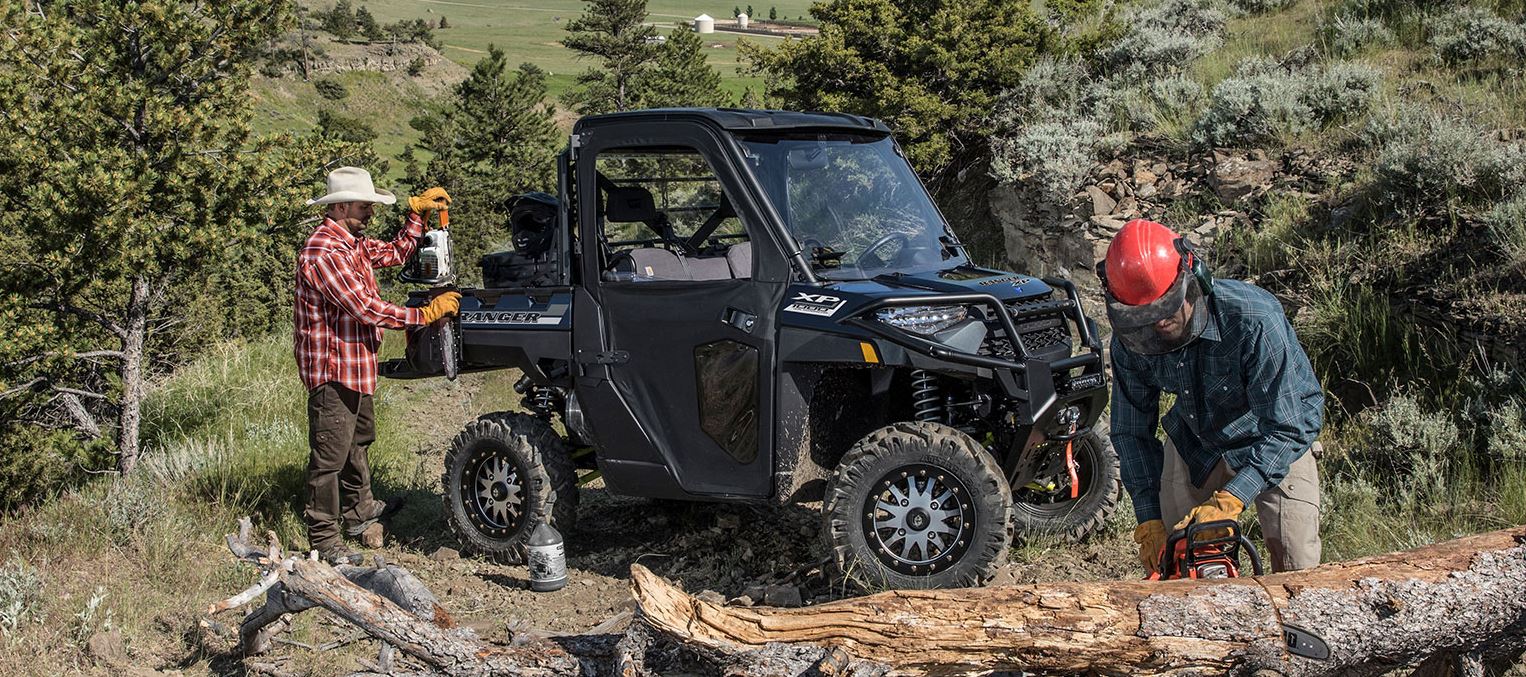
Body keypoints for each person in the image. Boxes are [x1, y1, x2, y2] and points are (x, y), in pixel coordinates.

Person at [1098, 219, 1324, 574]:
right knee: (1178, 559)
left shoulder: (1253, 319)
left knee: (1298, 566)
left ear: (1192, 280)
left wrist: (1232, 498)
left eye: (1165, 310)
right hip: (1196, 438)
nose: (1157, 326)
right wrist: (1148, 518)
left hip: (1273, 434)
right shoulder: (1132, 339)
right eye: (1144, 317)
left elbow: (1289, 427)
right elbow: (1131, 433)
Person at [295, 167, 461, 564]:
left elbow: (396, 253)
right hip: (332, 369)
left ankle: (360, 510)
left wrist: (416, 217)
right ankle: (323, 537)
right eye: (365, 204)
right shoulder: (323, 252)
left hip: (355, 365)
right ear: (341, 206)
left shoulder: (352, 243)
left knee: (357, 440)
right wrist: (422, 316)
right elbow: (364, 308)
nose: (370, 210)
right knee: (329, 455)